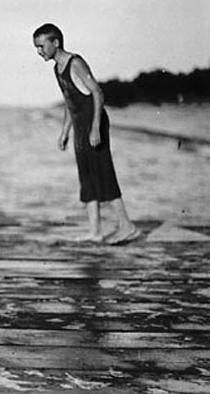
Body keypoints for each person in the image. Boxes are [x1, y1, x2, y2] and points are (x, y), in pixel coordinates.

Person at [33, 23, 141, 245]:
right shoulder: (57, 68)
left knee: (104, 173)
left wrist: (94, 128)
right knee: (87, 178)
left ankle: (127, 227)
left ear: (56, 42)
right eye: (36, 47)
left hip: (95, 124)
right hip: (80, 126)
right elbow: (69, 102)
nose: (39, 51)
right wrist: (64, 132)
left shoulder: (76, 63)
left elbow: (97, 93)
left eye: (42, 46)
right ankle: (96, 232)